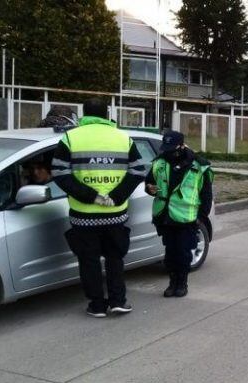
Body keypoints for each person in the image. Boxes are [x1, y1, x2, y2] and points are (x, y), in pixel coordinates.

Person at [51, 98, 146, 318]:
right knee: (115, 259)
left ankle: (97, 305)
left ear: (84, 114)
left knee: (89, 261)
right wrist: (116, 195)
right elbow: (138, 170)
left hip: (84, 216)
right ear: (106, 114)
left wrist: (90, 196)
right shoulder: (123, 137)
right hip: (115, 214)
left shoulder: (71, 138)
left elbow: (59, 172)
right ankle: (118, 301)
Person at [145, 131, 213, 298]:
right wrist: (149, 188)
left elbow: (206, 195)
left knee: (183, 252)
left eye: (172, 148)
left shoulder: (199, 165)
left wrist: (201, 217)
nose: (169, 152)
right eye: (166, 148)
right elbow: (150, 183)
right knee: (170, 252)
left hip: (187, 218)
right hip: (165, 216)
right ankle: (172, 283)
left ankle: (182, 283)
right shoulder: (160, 163)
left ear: (182, 146)